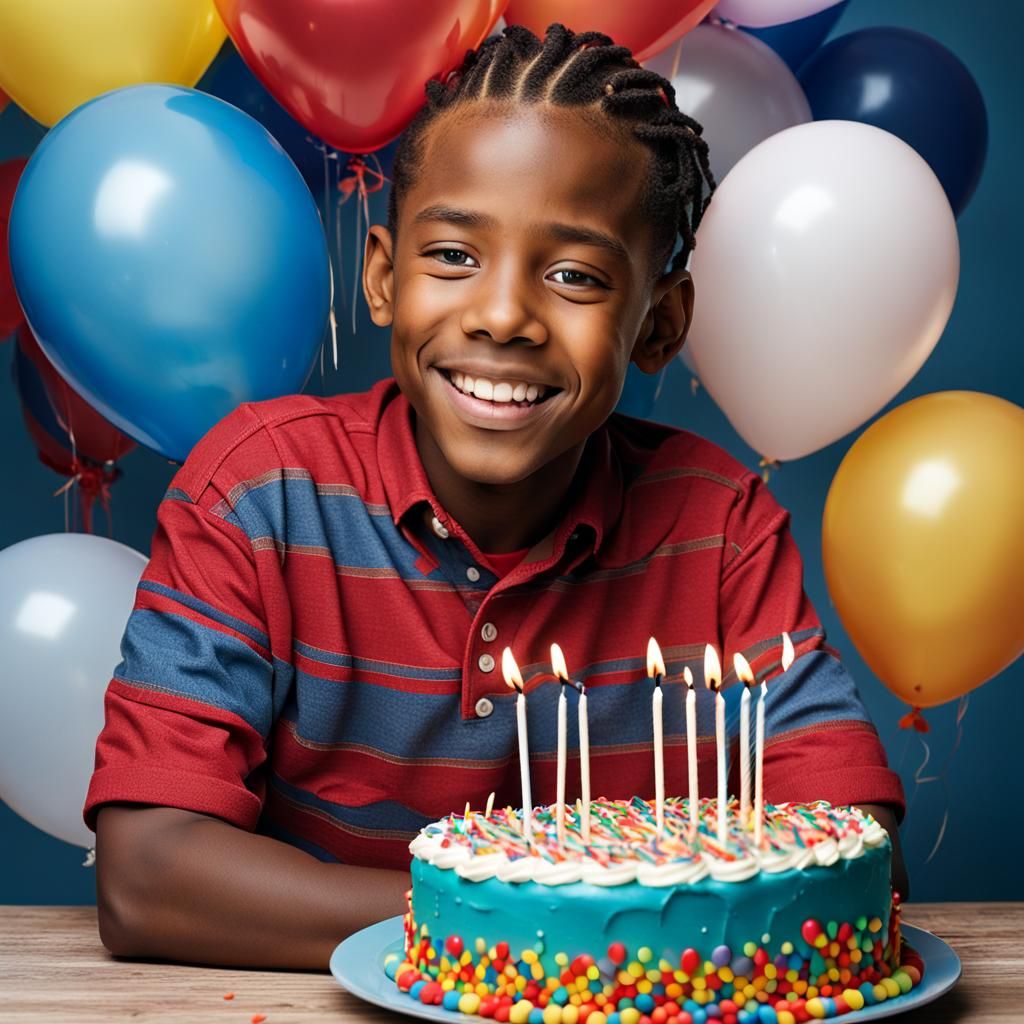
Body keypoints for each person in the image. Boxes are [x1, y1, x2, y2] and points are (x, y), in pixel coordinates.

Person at [87, 23, 906, 970]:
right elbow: (148, 878)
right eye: (453, 258)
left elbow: (853, 862)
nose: (504, 315)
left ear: (660, 324)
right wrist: (546, 922)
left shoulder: (718, 527)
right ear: (385, 277)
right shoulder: (258, 494)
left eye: (574, 276)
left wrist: (523, 934)